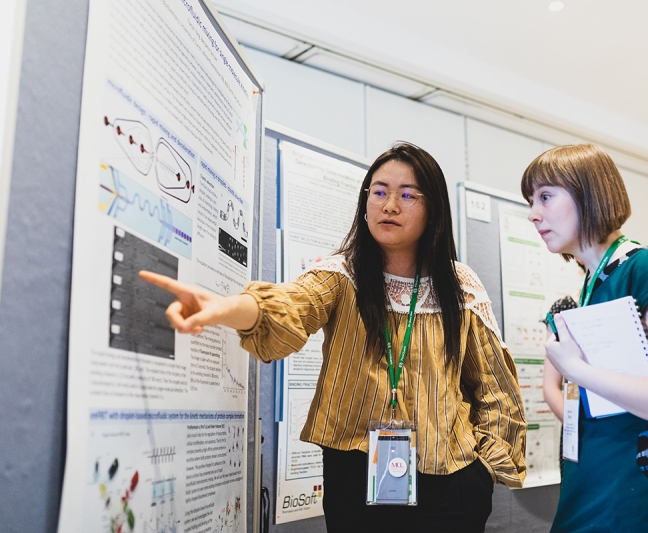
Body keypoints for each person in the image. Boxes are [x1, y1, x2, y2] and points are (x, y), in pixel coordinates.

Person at [140, 142, 526, 533]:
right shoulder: (341, 275)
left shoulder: (460, 287)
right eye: (378, 191)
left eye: (407, 194)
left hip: (451, 483)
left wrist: (484, 472)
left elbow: (495, 388)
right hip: (356, 476)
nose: (389, 205)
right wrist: (228, 308)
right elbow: (294, 304)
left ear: (434, 210)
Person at [522, 144, 648, 532]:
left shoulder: (645, 268)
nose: (533, 213)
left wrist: (578, 371)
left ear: (588, 193)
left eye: (546, 197)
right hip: (597, 488)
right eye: (532, 201)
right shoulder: (590, 285)